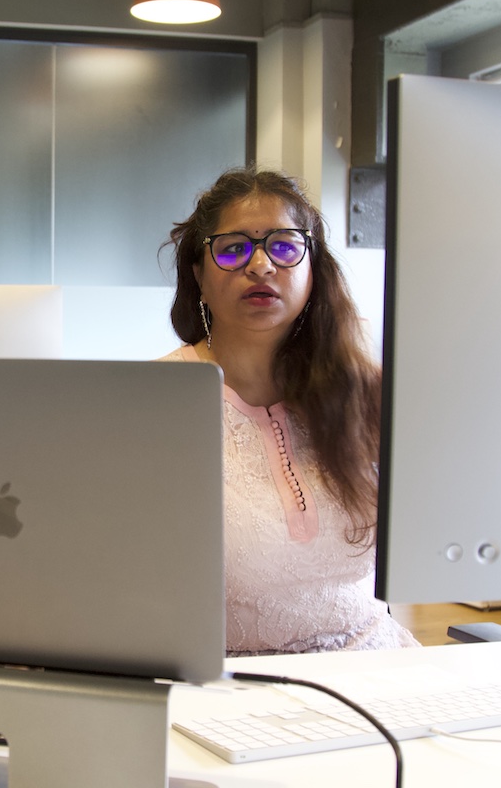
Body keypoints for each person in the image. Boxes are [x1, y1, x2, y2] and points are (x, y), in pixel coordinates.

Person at [160, 166, 419, 655]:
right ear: (198, 273)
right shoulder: (153, 399)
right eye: (233, 248)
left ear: (312, 267)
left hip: (379, 671)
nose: (260, 266)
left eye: (283, 246)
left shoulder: (362, 389)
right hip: (233, 690)